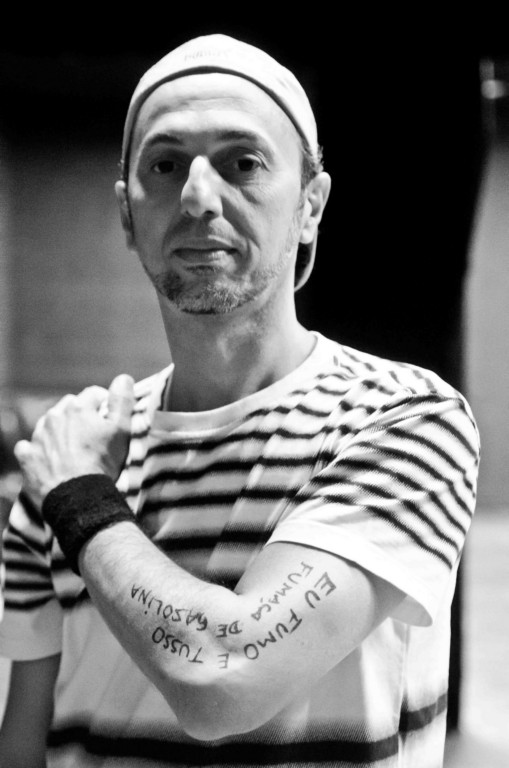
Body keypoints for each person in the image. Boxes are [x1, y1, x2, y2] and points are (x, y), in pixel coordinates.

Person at [0, 33, 480, 768]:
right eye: (165, 165)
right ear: (127, 213)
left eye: (243, 162)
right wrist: (68, 488)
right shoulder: (71, 452)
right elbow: (24, 747)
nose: (197, 197)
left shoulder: (404, 420)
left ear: (310, 205)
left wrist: (81, 502)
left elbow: (224, 683)